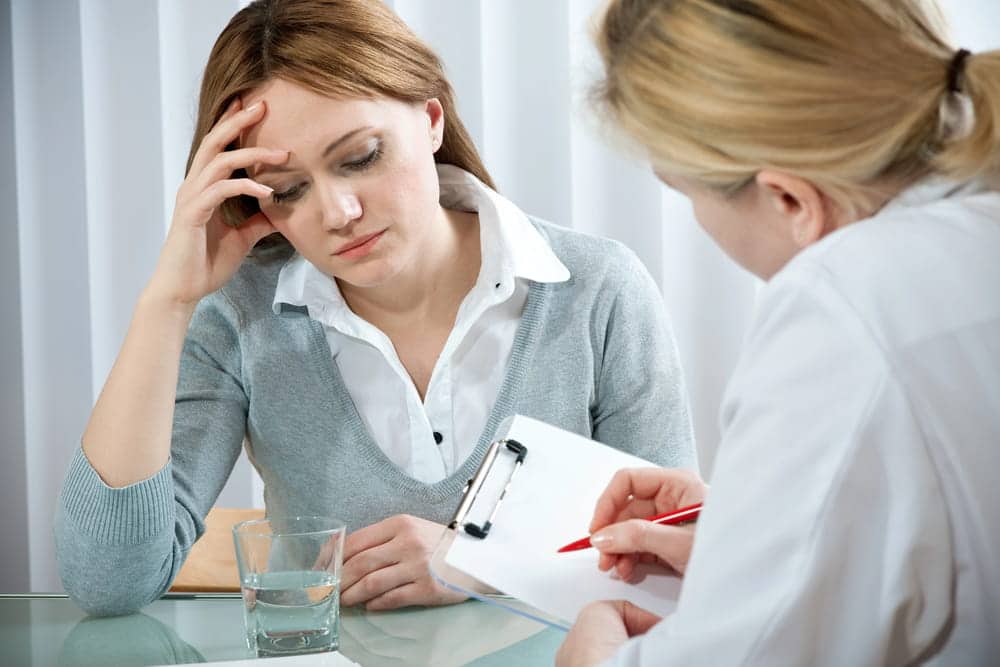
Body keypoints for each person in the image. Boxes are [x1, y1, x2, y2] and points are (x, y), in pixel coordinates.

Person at [54, 0, 696, 617]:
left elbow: (666, 565)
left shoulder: (597, 288)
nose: (337, 214)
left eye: (360, 157)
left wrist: (480, 562)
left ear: (432, 118)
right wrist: (167, 302)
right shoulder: (240, 316)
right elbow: (108, 582)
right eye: (288, 191)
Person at [557, 0, 1000, 665]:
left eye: (685, 192)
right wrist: (759, 539)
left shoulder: (846, 305)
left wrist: (591, 656)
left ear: (790, 199)